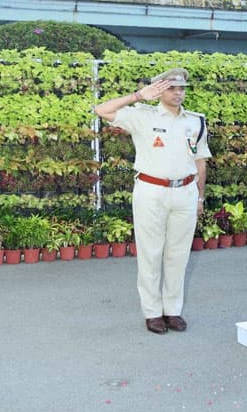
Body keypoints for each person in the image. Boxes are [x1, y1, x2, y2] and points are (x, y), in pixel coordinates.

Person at [93, 68, 210, 334]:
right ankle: (152, 312)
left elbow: (200, 161)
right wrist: (137, 96)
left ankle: (172, 310)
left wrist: (200, 196)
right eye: (171, 88)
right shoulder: (141, 116)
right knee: (151, 253)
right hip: (151, 190)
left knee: (178, 254)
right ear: (158, 90)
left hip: (186, 191)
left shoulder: (196, 121)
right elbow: (101, 109)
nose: (178, 93)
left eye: (181, 88)